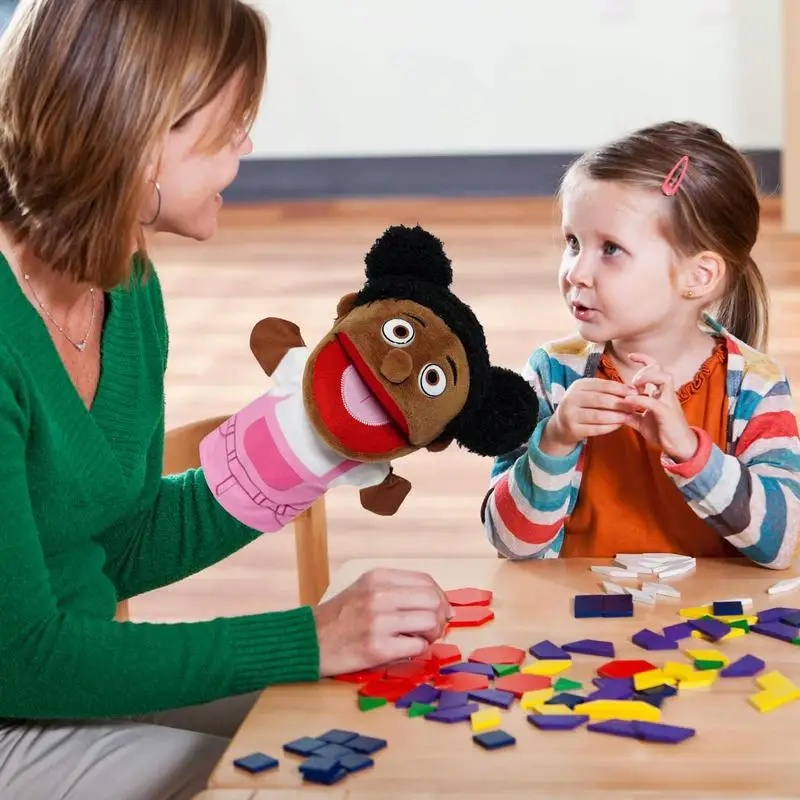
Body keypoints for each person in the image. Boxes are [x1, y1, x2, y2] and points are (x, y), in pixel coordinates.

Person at [0, 2, 450, 798]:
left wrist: (310, 444)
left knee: (383, 728)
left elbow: (117, 544)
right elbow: (24, 657)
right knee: (293, 781)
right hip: (19, 698)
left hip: (66, 676)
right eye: (232, 123)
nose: (249, 145)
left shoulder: (126, 289)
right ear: (138, 136)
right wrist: (309, 637)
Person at [482, 120, 800, 567]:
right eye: (573, 242)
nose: (576, 272)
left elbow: (780, 543)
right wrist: (554, 441)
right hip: (578, 620)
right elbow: (509, 544)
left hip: (709, 628)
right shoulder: (552, 374)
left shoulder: (757, 385)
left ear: (698, 276)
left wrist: (689, 450)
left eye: (610, 249)